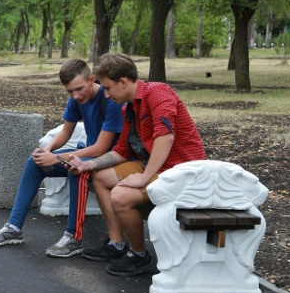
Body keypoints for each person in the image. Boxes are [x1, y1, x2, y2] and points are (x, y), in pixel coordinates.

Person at [67, 53, 205, 276]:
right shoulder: (128, 108)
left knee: (121, 196)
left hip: (182, 171)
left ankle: (139, 255)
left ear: (123, 81)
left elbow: (165, 136)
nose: (107, 94)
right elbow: (122, 151)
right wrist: (88, 164)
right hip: (157, 168)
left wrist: (144, 177)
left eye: (109, 88)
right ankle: (116, 243)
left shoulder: (158, 93)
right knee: (100, 177)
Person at [0, 59, 123, 257]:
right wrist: (46, 151)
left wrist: (58, 159)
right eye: (70, 92)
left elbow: (100, 148)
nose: (75, 95)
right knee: (35, 163)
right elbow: (66, 132)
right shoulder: (76, 99)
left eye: (79, 89)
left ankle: (74, 238)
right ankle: (13, 227)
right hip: (89, 153)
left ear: (92, 80)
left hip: (109, 159)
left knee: (76, 168)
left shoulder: (110, 100)